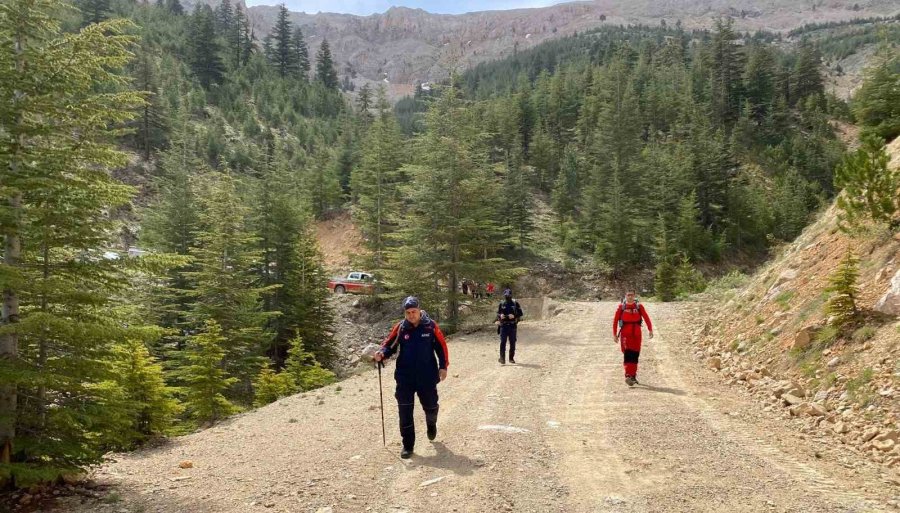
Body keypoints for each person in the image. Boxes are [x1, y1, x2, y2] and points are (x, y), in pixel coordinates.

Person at [374, 296, 449, 459]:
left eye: (413, 312)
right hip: (405, 376)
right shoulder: (401, 328)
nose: (411, 315)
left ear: (419, 310)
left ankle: (431, 424)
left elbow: (441, 346)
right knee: (405, 411)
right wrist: (382, 354)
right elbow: (389, 345)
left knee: (430, 406)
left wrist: (443, 366)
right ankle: (408, 445)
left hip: (427, 375)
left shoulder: (430, 326)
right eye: (408, 313)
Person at [612, 289, 653, 386]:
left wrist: (650, 329)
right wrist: (614, 334)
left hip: (637, 334)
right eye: (628, 295)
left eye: (632, 295)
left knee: (635, 355)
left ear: (634, 296)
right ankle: (628, 375)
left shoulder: (639, 307)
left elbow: (646, 318)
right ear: (625, 296)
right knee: (627, 354)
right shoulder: (621, 307)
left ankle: (633, 376)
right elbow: (615, 321)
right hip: (626, 334)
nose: (630, 297)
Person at [495, 288, 523, 365]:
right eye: (506, 295)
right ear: (504, 295)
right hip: (503, 326)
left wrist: (514, 315)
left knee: (512, 342)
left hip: (512, 325)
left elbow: (520, 313)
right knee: (502, 342)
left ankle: (511, 358)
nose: (507, 296)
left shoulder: (515, 303)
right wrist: (500, 315)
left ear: (511, 295)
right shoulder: (502, 303)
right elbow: (497, 313)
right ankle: (502, 359)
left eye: (509, 295)